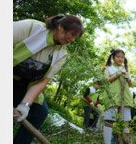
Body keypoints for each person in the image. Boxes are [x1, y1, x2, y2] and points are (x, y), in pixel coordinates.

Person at [13, 14, 84, 144]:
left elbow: (42, 81)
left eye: (76, 37)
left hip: (24, 85)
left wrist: (25, 105)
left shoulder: (62, 54)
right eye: (72, 34)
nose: (72, 39)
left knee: (40, 112)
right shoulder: (31, 27)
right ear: (60, 27)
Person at [102, 49, 133, 144]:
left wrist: (128, 78)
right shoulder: (108, 68)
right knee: (109, 120)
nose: (120, 59)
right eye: (118, 57)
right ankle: (107, 142)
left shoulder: (125, 69)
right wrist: (116, 75)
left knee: (126, 121)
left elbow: (130, 84)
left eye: (122, 57)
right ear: (113, 58)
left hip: (126, 98)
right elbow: (106, 81)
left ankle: (126, 142)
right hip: (113, 97)